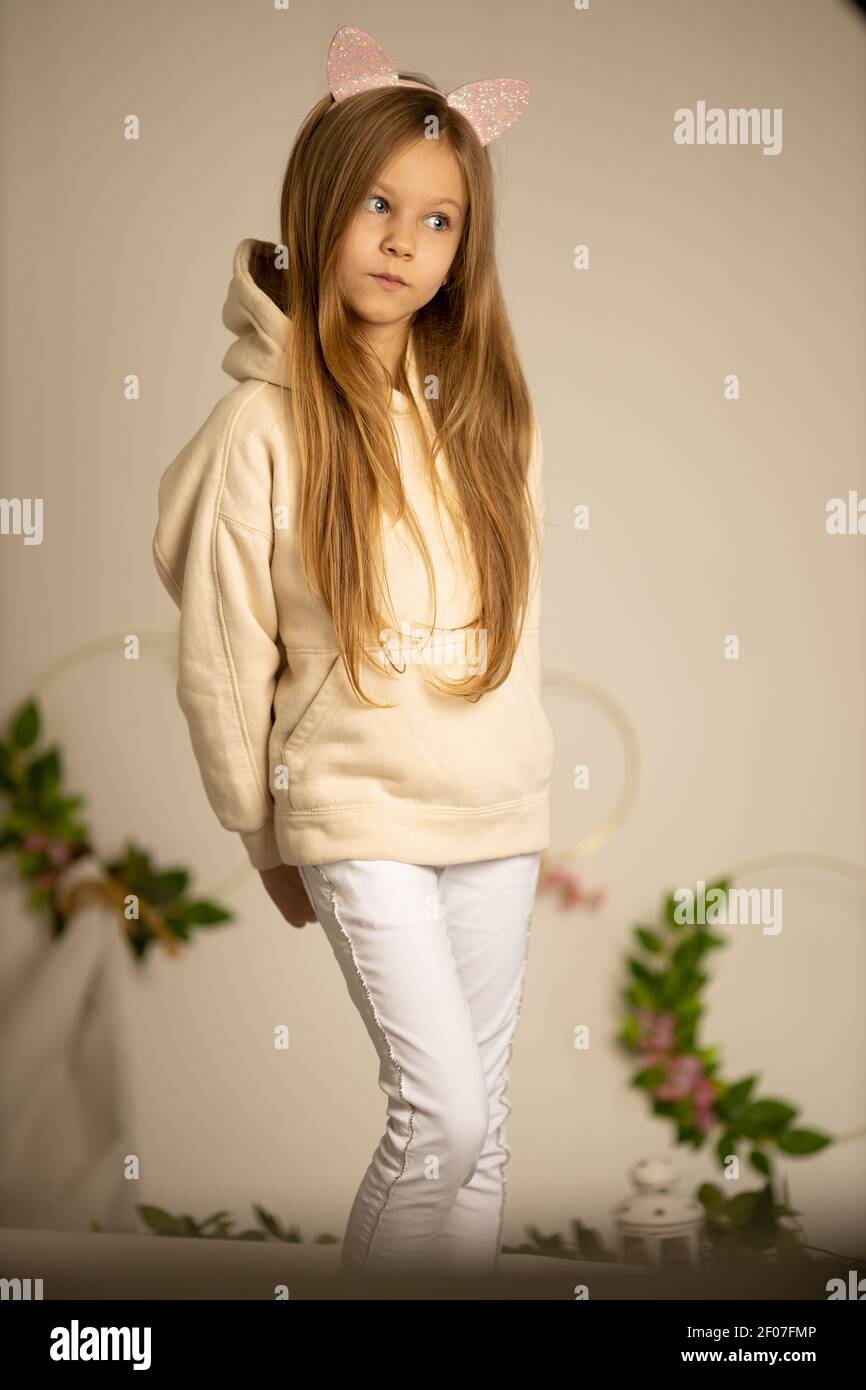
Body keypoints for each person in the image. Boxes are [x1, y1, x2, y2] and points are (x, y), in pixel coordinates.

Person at [152, 25, 554, 1284]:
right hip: (355, 803)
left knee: (480, 1138)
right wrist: (258, 832)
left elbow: (521, 635)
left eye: (435, 221)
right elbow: (223, 653)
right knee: (437, 1118)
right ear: (320, 207)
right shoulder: (258, 427)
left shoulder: (488, 418)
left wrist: (528, 783)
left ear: (462, 248)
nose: (400, 241)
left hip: (494, 802)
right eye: (377, 204)